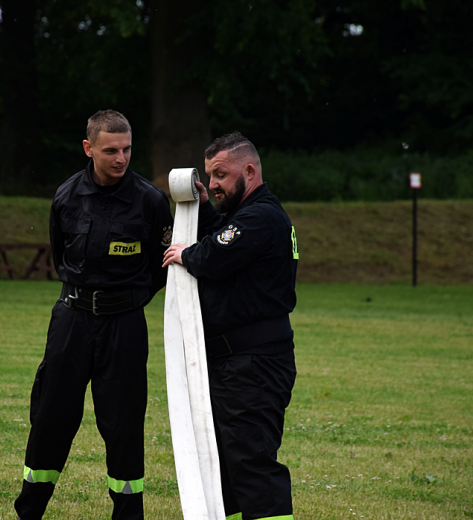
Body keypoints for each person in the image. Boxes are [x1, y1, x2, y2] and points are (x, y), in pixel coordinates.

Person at [14, 110, 174, 520]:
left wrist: (127, 301)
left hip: (125, 325)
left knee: (122, 425)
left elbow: (161, 268)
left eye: (126, 149)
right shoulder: (66, 196)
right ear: (89, 148)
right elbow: (60, 255)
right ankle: (29, 510)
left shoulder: (151, 201)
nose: (121, 158)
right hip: (72, 320)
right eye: (110, 150)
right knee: (51, 415)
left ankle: (127, 515)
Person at [163, 132, 299, 520]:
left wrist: (186, 253)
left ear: (250, 170)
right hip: (238, 362)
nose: (214, 184)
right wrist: (205, 209)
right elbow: (223, 236)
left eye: (220, 174)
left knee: (252, 465)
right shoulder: (247, 217)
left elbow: (215, 255)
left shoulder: (262, 215)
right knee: (229, 470)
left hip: (254, 365)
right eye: (209, 176)